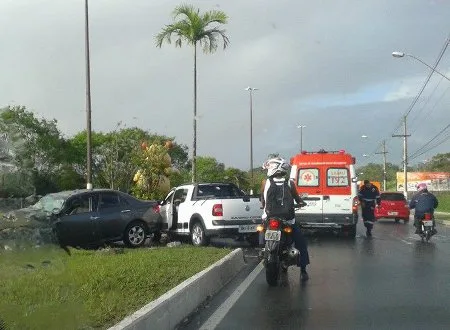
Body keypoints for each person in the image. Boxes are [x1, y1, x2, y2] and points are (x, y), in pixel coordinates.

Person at [260, 157, 310, 281]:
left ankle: (262, 250)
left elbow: (262, 198)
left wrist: (263, 204)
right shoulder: (290, 183)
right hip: (287, 220)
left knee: (261, 232)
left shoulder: (265, 182)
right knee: (301, 243)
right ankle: (303, 270)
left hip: (269, 218)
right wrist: (301, 202)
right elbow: (297, 199)